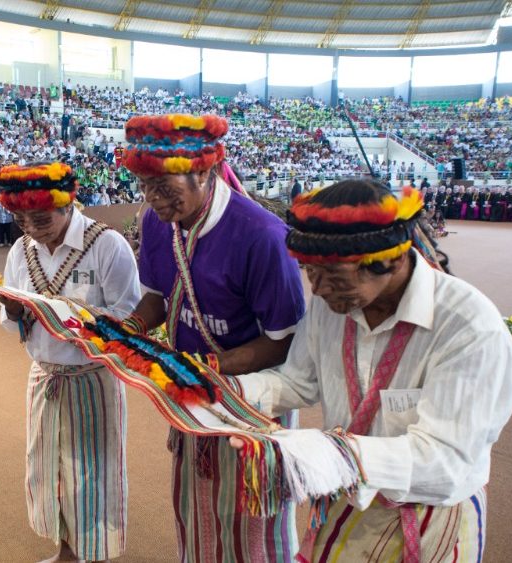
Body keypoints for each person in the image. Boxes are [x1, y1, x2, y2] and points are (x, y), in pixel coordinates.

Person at [231, 179, 512, 562]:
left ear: (393, 261)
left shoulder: (468, 326)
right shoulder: (332, 305)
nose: (317, 290)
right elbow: (297, 381)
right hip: (349, 504)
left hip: (430, 520)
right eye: (308, 271)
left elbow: (444, 460)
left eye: (334, 275)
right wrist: (222, 392)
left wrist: (328, 453)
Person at [121, 114, 305, 562]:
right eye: (144, 186)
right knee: (195, 511)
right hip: (191, 398)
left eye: (164, 187)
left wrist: (211, 369)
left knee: (253, 525)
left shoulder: (261, 237)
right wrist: (128, 330)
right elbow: (157, 299)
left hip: (252, 404)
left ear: (203, 172)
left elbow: (284, 341)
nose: (153, 200)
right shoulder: (154, 223)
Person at [0, 162, 140, 563]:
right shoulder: (21, 251)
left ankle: (94, 554)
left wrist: (74, 317)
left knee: (92, 473)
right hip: (44, 377)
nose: (30, 227)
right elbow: (10, 326)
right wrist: (13, 310)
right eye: (20, 218)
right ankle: (67, 552)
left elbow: (129, 318)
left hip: (93, 378)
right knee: (49, 471)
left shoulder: (107, 245)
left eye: (39, 217)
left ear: (66, 204)